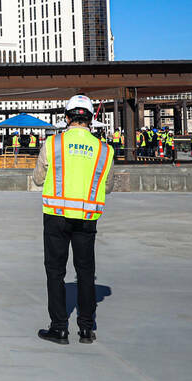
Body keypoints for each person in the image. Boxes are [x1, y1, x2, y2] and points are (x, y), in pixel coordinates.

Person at [31, 94, 117, 345]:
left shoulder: (53, 144)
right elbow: (109, 186)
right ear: (91, 119)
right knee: (85, 271)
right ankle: (87, 329)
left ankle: (59, 328)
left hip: (56, 216)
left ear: (67, 118)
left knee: (55, 271)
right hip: (87, 218)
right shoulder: (104, 150)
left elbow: (38, 179)